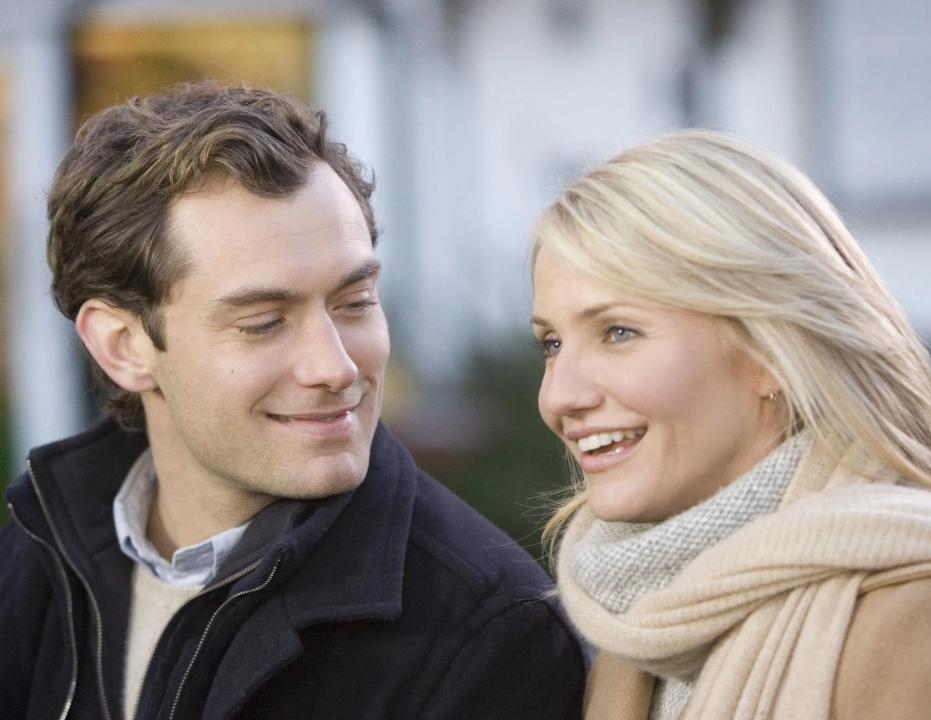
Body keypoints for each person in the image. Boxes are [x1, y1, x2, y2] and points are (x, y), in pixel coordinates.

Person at [0, 82, 585, 720]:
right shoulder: (32, 557)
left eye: (355, 302)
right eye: (263, 322)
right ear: (122, 345)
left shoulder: (489, 637)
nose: (335, 367)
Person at [528, 129, 931, 719]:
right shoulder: (640, 627)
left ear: (769, 352)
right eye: (551, 343)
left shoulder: (926, 614)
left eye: (618, 332)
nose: (559, 395)